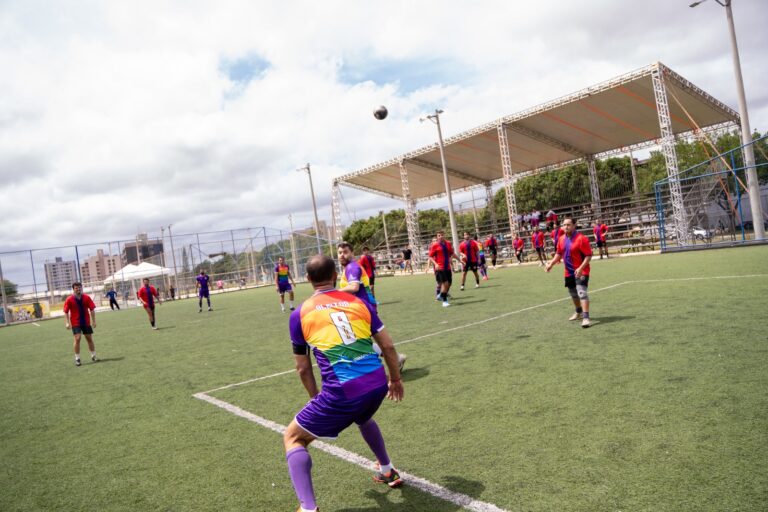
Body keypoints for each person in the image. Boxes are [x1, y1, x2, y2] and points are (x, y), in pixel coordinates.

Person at [285, 255, 404, 512]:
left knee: (293, 438)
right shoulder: (359, 302)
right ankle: (388, 470)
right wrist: (394, 379)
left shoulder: (300, 314)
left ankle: (308, 508)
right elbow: (388, 346)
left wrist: (314, 396)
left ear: (307, 279)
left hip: (343, 391)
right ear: (335, 274)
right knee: (363, 417)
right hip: (376, 384)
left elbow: (302, 367)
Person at [545, 216, 593, 328]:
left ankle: (586, 318)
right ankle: (578, 312)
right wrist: (551, 264)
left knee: (582, 292)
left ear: (574, 225)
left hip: (582, 271)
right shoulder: (561, 239)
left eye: (568, 224)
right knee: (573, 293)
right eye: (564, 225)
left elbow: (588, 256)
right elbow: (558, 254)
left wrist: (580, 268)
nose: (566, 227)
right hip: (568, 271)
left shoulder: (582, 238)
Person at [63, 282, 98, 366]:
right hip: (75, 322)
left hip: (86, 322)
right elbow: (66, 312)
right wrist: (67, 322)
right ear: (73, 289)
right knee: (77, 338)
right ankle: (77, 358)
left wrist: (93, 321)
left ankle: (93, 356)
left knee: (89, 338)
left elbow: (92, 309)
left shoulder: (86, 297)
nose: (78, 289)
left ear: (81, 288)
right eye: (76, 288)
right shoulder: (69, 299)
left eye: (79, 287)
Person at [338, 242, 377, 307]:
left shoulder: (352, 267)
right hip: (367, 304)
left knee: (371, 287)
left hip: (361, 306)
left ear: (352, 254)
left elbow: (354, 287)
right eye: (340, 253)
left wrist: (333, 292)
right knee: (371, 287)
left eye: (345, 252)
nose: (342, 255)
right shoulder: (350, 266)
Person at [428, 231, 461, 307]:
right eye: (439, 235)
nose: (440, 236)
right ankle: (444, 301)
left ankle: (440, 295)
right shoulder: (435, 245)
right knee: (444, 283)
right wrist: (435, 264)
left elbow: (452, 253)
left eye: (442, 235)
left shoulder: (448, 244)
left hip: (447, 267)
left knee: (449, 284)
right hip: (440, 268)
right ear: (437, 237)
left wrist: (460, 261)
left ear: (444, 235)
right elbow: (430, 257)